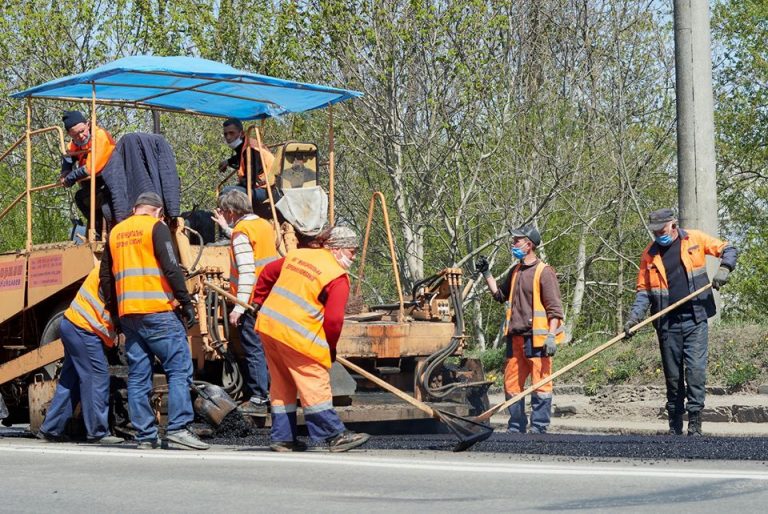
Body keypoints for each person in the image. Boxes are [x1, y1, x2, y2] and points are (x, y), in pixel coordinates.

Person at [99, 192, 208, 450]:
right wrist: (185, 302)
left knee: (138, 376)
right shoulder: (155, 228)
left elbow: (106, 277)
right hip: (158, 312)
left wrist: (115, 313)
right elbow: (171, 267)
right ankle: (178, 429)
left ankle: (145, 436)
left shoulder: (116, 232)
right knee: (178, 369)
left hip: (130, 316)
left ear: (136, 209)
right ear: (158, 211)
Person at [253, 226, 370, 452]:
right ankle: (334, 435)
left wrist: (258, 300)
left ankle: (283, 438)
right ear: (335, 249)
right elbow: (334, 321)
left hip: (269, 327)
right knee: (314, 380)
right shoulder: (337, 277)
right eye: (351, 251)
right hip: (296, 334)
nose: (353, 257)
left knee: (282, 383)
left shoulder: (299, 255)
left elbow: (268, 271)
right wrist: (330, 348)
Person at [624, 208, 737, 436]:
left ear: (673, 224)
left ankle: (695, 424)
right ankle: (674, 425)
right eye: (654, 231)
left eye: (662, 230)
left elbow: (728, 248)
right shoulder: (650, 254)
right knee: (673, 377)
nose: (658, 235)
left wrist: (725, 268)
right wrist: (634, 318)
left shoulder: (694, 239)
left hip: (695, 318)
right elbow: (643, 291)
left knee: (695, 371)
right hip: (667, 323)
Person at [476, 225, 564, 434]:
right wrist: (486, 272)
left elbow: (555, 310)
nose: (513, 244)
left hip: (538, 340)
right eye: (513, 240)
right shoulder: (515, 271)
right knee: (512, 384)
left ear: (529, 245)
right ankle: (516, 427)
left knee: (540, 385)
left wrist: (551, 336)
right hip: (515, 338)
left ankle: (539, 427)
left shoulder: (544, 272)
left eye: (517, 240)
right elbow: (500, 295)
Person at [37, 267, 123, 445]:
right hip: (84, 329)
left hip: (72, 325)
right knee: (96, 377)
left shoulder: (107, 267)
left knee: (72, 380)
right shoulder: (115, 271)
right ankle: (98, 431)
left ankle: (52, 428)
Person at [216, 190, 279, 413]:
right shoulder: (263, 225)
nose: (223, 214)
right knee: (268, 349)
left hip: (251, 301)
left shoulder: (241, 232)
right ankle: (276, 396)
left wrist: (239, 308)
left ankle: (259, 399)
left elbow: (246, 270)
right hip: (268, 297)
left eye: (224, 211)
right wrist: (227, 228)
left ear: (232, 211)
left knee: (253, 350)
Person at [60, 110, 116, 238]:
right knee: (81, 197)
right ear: (70, 134)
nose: (81, 136)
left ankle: (107, 232)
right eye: (75, 135)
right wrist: (65, 172)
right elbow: (68, 155)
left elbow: (92, 167)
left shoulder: (100, 135)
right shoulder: (75, 143)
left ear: (88, 125)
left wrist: (71, 177)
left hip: (111, 183)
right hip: (94, 185)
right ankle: (97, 231)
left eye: (82, 131)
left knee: (103, 205)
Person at [218, 118, 276, 208]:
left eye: (231, 133)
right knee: (232, 190)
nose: (228, 137)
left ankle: (230, 220)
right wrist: (228, 162)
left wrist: (236, 188)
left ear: (242, 133)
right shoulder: (246, 145)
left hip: (267, 190)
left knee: (227, 193)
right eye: (226, 134)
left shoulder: (252, 149)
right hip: (263, 188)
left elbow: (250, 181)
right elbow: (241, 157)